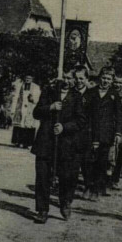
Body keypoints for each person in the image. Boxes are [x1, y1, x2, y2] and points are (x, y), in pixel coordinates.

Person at [31, 71, 86, 223]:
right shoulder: (49, 92)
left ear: (74, 81)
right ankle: (42, 210)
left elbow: (81, 121)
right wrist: (50, 107)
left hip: (65, 145)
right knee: (42, 177)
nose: (66, 81)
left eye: (70, 78)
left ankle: (65, 203)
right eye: (64, 78)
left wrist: (64, 127)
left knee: (66, 177)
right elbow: (36, 113)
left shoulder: (77, 97)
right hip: (45, 142)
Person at [83, 66, 122, 201]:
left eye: (109, 79)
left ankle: (96, 189)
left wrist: (118, 132)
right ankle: (88, 185)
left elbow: (118, 116)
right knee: (87, 161)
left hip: (106, 133)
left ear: (112, 81)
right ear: (100, 78)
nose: (105, 81)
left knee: (101, 162)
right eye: (104, 78)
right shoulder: (90, 92)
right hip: (90, 131)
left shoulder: (114, 95)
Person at [10, 74, 40, 148]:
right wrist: (13, 109)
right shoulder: (20, 86)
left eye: (29, 78)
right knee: (20, 125)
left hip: (30, 108)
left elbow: (37, 99)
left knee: (28, 126)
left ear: (32, 79)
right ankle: (18, 141)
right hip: (20, 107)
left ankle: (27, 143)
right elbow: (15, 97)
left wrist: (33, 99)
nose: (27, 80)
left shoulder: (36, 87)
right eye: (26, 78)